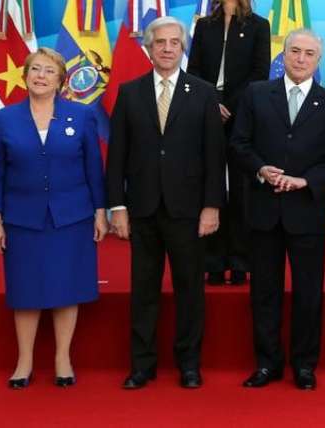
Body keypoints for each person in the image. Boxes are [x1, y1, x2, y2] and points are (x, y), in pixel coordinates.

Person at [106, 16, 225, 389]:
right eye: (161, 43)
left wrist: (211, 206)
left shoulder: (204, 93)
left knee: (190, 290)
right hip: (141, 209)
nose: (168, 48)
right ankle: (143, 365)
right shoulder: (129, 93)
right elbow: (117, 157)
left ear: (182, 47)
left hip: (189, 211)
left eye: (175, 42)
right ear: (149, 47)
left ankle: (189, 364)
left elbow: (214, 155)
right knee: (144, 290)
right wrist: (117, 206)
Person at [230, 28, 325, 390]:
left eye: (309, 53)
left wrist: (306, 181)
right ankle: (267, 364)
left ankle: (305, 365)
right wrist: (260, 169)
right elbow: (238, 143)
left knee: (308, 293)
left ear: (318, 60)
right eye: (294, 51)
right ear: (283, 56)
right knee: (263, 292)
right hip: (264, 209)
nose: (300, 59)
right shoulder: (256, 94)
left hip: (307, 212)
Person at [0, 47, 108, 389]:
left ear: (60, 80)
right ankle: (24, 361)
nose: (40, 75)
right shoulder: (5, 118)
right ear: (25, 76)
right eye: (35, 69)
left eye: (48, 71)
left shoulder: (81, 116)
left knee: (67, 287)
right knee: (25, 290)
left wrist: (101, 212)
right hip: (22, 219)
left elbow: (94, 169)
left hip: (72, 217)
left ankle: (62, 358)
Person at [187, 0, 270, 286]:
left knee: (240, 188)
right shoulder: (204, 25)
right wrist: (212, 102)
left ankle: (239, 260)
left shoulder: (259, 25)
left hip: (242, 115)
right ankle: (212, 260)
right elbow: (193, 69)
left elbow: (259, 74)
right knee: (210, 184)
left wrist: (230, 106)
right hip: (205, 113)